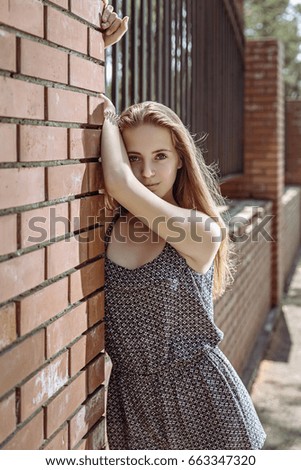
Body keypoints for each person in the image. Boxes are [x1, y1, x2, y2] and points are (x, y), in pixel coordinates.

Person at [100, 5, 266, 451]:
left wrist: (99, 69)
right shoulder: (106, 225)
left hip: (206, 406)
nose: (147, 171)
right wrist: (96, 54)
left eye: (160, 157)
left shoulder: (201, 231)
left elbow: (118, 181)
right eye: (133, 157)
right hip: (132, 407)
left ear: (179, 160)